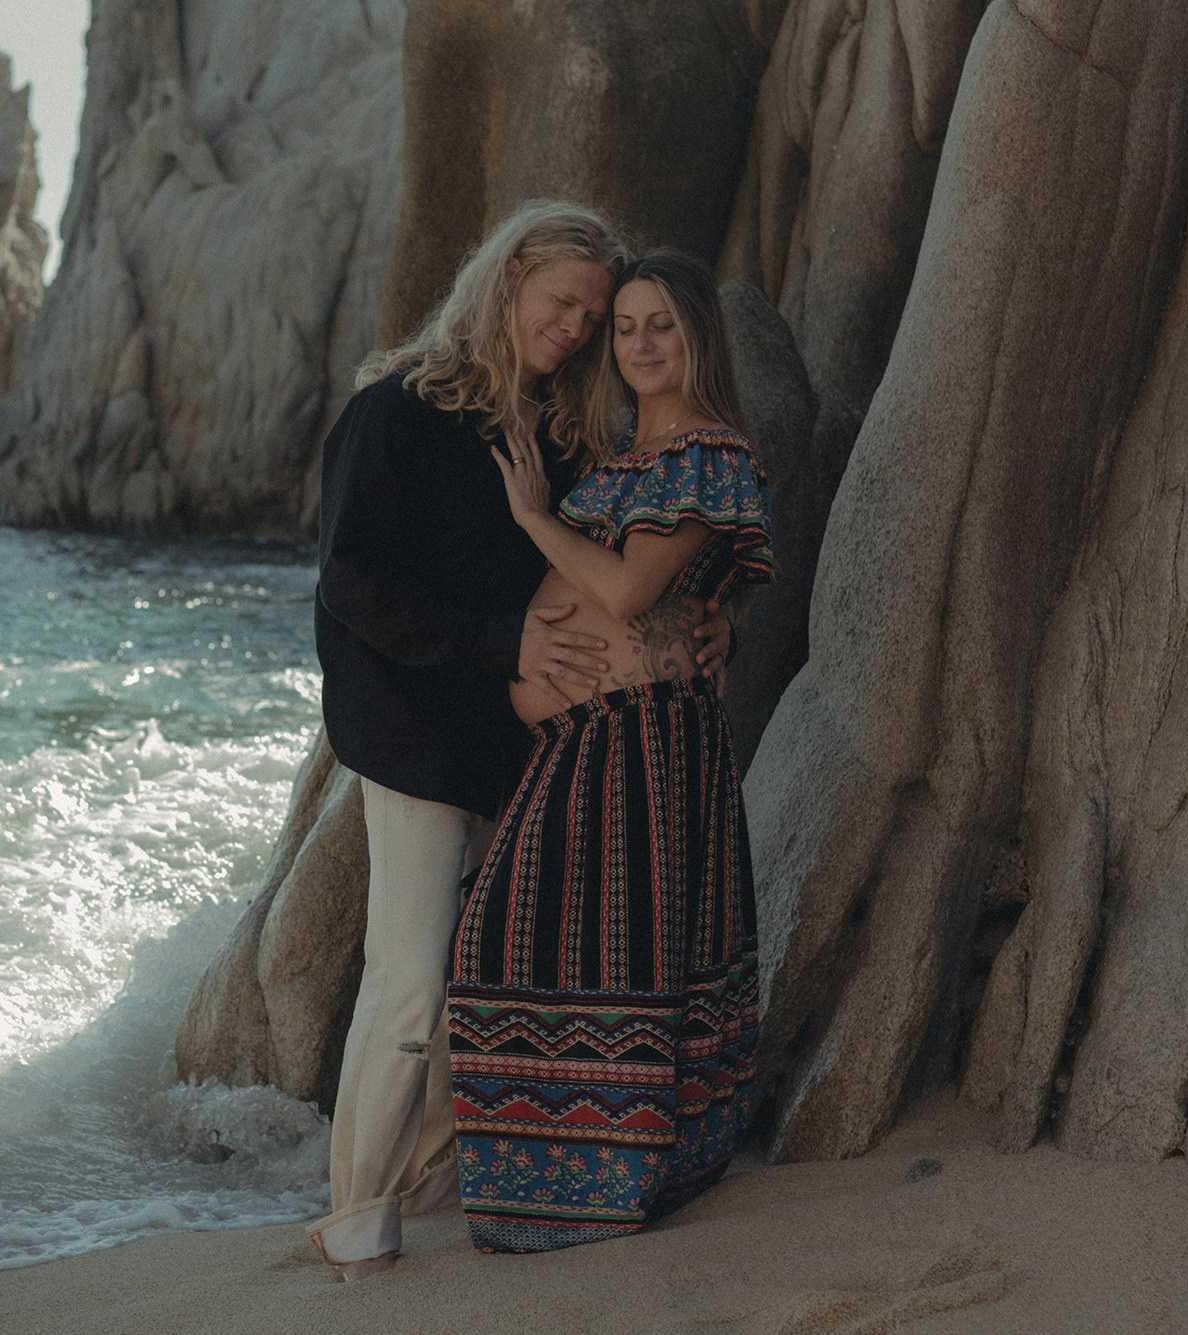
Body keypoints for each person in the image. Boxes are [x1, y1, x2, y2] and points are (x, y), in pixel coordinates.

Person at [309, 203, 732, 1279]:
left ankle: (437, 1184)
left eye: (592, 314)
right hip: (411, 734)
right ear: (503, 285)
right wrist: (501, 645)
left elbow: (620, 560)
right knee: (406, 976)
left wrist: (699, 612)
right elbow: (351, 581)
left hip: (528, 745)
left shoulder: (560, 432)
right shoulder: (393, 412)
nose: (577, 326)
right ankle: (355, 1215)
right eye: (563, 303)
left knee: (488, 976)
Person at [446, 247, 773, 1253]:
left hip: (639, 749)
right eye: (624, 325)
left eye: (658, 324)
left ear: (693, 339)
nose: (637, 343)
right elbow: (688, 600)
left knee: (609, 955)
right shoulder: (619, 460)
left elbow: (629, 593)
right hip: (581, 741)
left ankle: (611, 1188)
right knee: (514, 945)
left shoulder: (705, 454)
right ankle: (533, 1191)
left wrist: (532, 516)